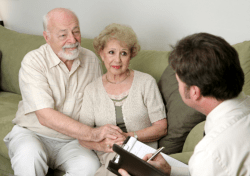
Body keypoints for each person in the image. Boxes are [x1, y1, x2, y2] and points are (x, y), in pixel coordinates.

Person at [3, 8, 124, 176]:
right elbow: (45, 116)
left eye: (76, 32)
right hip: (33, 133)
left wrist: (108, 136)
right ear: (47, 37)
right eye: (63, 35)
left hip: (72, 141)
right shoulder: (33, 61)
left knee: (89, 167)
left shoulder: (91, 61)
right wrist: (93, 134)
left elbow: (96, 107)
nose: (72, 40)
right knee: (29, 156)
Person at [119, 32, 250, 176]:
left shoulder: (210, 152)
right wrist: (172, 171)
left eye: (178, 81)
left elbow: (212, 164)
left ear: (194, 92)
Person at [78, 23, 168, 176]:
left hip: (143, 155)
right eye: (111, 52)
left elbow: (161, 127)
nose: (117, 60)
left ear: (131, 55)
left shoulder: (146, 82)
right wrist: (105, 146)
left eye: (123, 53)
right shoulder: (91, 89)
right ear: (102, 53)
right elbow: (83, 137)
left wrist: (128, 137)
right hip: (109, 156)